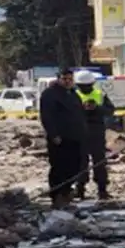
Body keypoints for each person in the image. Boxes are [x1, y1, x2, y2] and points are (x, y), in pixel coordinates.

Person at [37, 70, 87, 207]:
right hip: (60, 139)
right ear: (59, 79)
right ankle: (57, 195)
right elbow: (47, 116)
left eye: (70, 79)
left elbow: (78, 114)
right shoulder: (50, 95)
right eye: (65, 79)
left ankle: (66, 191)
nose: (68, 81)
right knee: (59, 167)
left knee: (75, 166)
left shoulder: (73, 94)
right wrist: (53, 135)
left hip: (75, 137)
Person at [72, 69, 115, 200]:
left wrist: (96, 108)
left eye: (87, 86)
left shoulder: (100, 94)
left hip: (96, 131)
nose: (85, 88)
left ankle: (102, 190)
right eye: (82, 86)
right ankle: (80, 189)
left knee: (99, 162)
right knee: (81, 162)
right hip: (79, 132)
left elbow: (110, 110)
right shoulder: (73, 95)